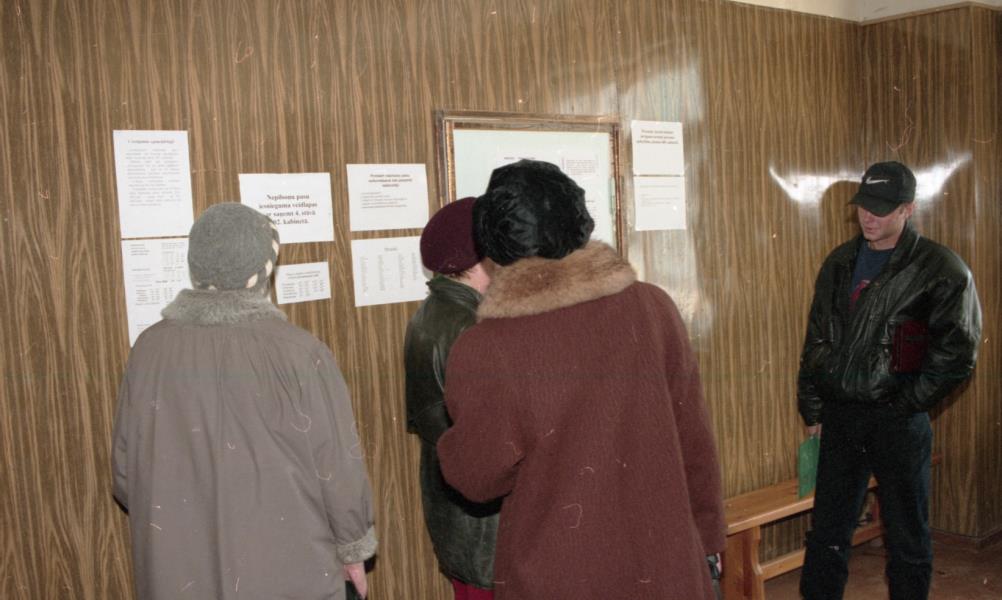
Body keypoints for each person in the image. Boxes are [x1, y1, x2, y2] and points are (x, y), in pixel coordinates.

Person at [436, 159, 726, 599]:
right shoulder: (653, 307)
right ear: (580, 221)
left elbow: (477, 478)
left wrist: (450, 443)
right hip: (666, 567)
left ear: (494, 243)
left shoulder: (487, 347)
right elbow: (695, 443)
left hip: (557, 575)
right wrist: (708, 540)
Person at [112, 203, 377, 600]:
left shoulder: (148, 349)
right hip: (288, 570)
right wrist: (353, 550)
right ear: (264, 268)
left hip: (179, 573)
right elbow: (338, 471)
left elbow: (125, 474)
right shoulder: (300, 352)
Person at [797, 161, 982, 600]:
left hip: (898, 422)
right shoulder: (839, 262)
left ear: (908, 209)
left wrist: (905, 403)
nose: (868, 216)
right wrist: (813, 408)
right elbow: (817, 337)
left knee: (907, 537)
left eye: (881, 208)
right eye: (864, 205)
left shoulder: (940, 268)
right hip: (841, 418)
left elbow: (958, 353)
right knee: (827, 534)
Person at [404, 197, 500, 600]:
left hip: (458, 518)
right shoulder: (472, 328)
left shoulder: (431, 313)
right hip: (484, 527)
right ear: (478, 258)